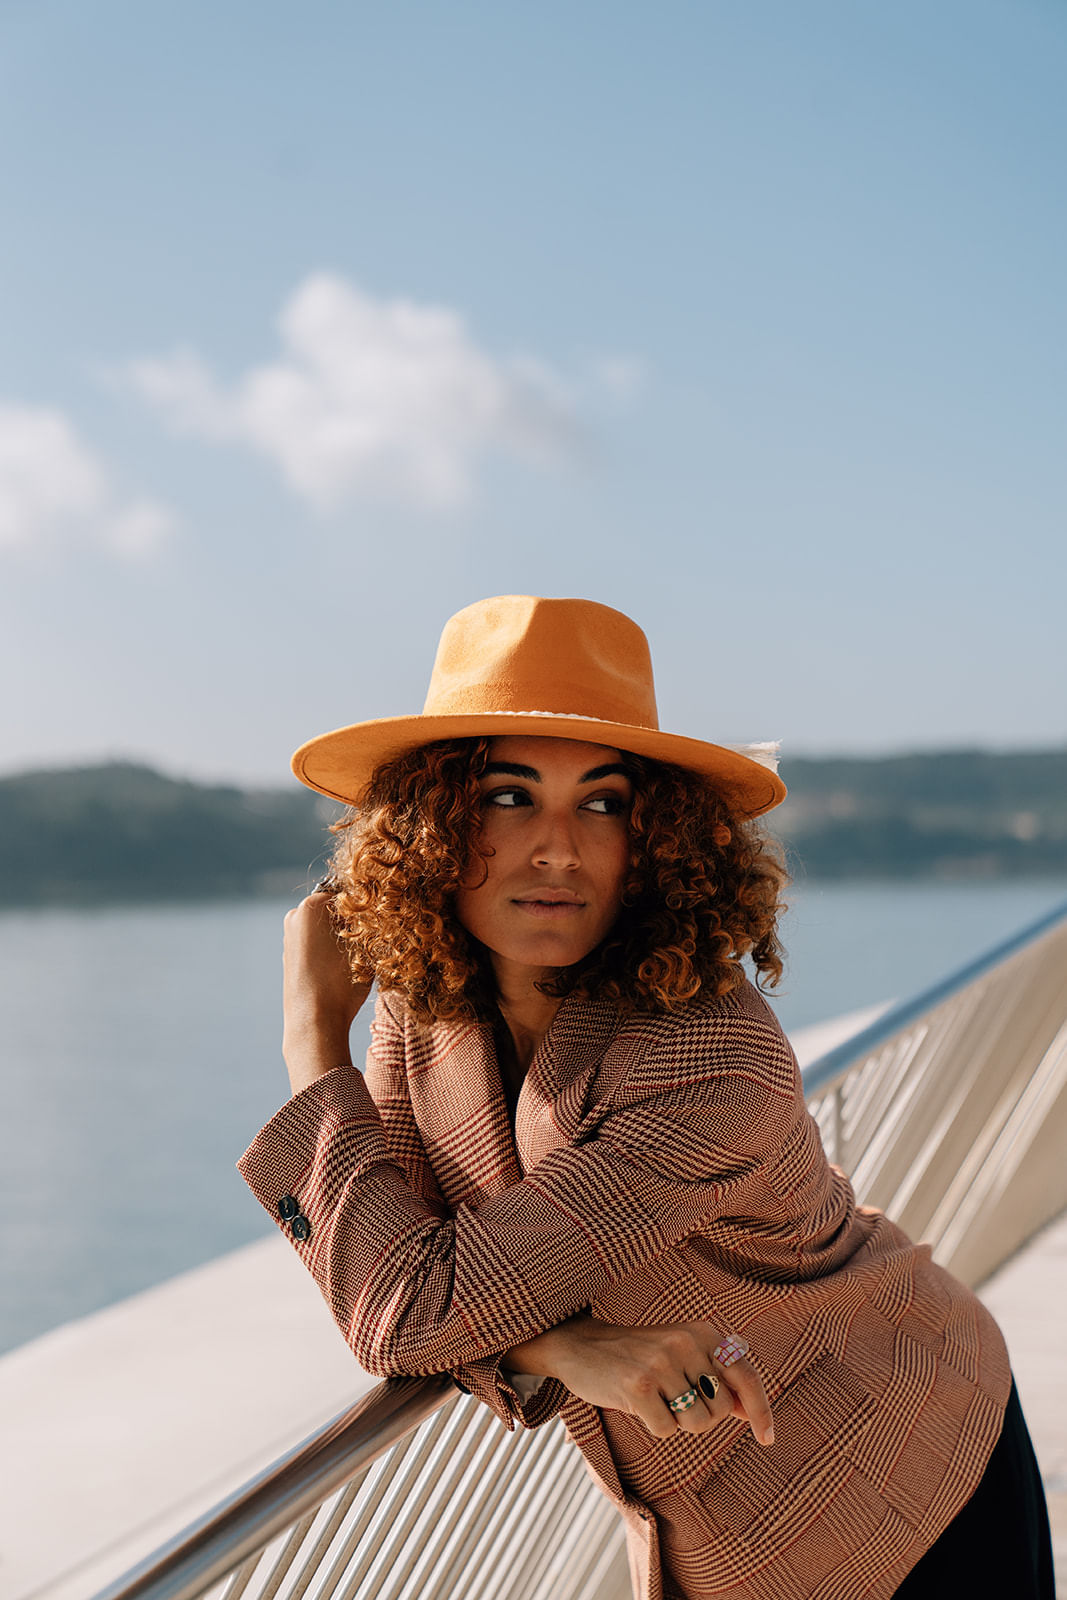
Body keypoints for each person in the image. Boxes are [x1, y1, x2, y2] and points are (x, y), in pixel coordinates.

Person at [239, 595, 1053, 1600]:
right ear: (432, 823)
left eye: (602, 801)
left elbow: (408, 1308)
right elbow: (400, 1263)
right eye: (506, 796)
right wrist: (561, 1345)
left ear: (654, 837)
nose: (556, 847)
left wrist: (309, 1039)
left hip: (901, 1477)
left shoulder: (706, 1053)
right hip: (706, 1523)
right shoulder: (426, 1008)